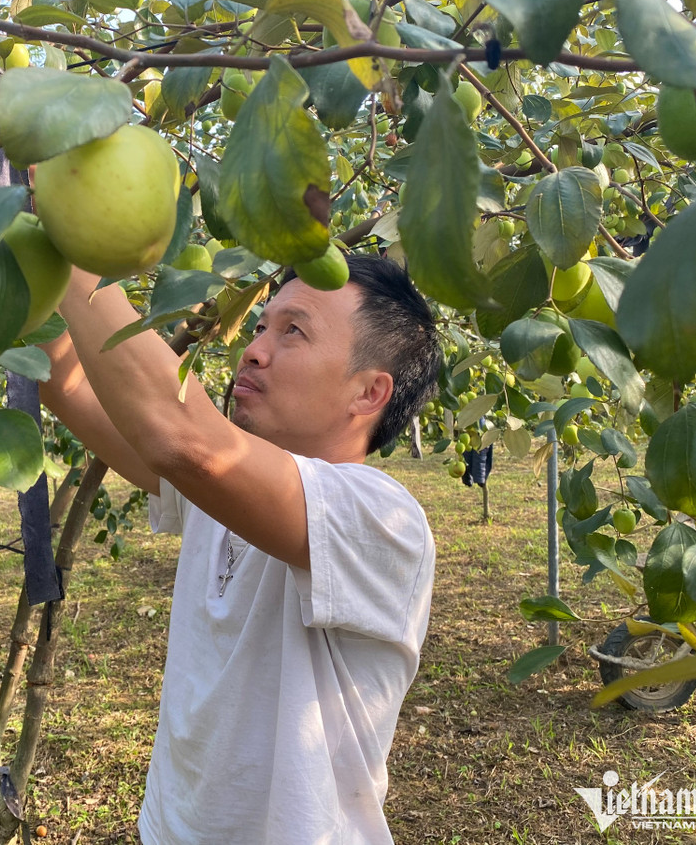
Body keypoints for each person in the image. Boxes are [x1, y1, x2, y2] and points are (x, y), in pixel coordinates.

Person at [37, 251, 442, 845]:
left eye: (293, 331)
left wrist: (70, 252)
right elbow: (64, 383)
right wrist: (23, 244)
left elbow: (185, 440)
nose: (253, 350)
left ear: (368, 391)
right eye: (260, 326)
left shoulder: (382, 520)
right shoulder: (217, 495)